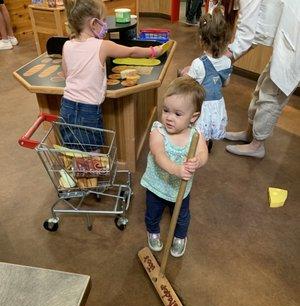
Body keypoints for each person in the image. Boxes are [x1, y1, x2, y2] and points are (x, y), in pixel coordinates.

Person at [60, 0, 162, 150]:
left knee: (73, 151)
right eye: (103, 20)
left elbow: (66, 73)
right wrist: (153, 51)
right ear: (94, 23)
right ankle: (92, 173)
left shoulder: (67, 45)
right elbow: (131, 51)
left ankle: (76, 172)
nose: (105, 24)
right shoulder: (102, 45)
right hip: (88, 110)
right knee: (92, 153)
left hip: (66, 106)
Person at [141, 76, 208, 257]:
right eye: (166, 110)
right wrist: (177, 169)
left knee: (182, 216)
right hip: (157, 185)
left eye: (177, 114)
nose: (169, 118)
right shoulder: (158, 131)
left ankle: (180, 237)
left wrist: (198, 161)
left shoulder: (195, 135)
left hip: (180, 188)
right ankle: (153, 231)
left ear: (193, 117)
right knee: (153, 212)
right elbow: (159, 155)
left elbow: (203, 153)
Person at [225, 0, 300, 158]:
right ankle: (250, 134)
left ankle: (257, 145)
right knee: (262, 84)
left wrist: (213, 63)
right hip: (290, 33)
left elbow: (246, 38)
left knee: (273, 91)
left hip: (295, 40)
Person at [183, 7, 232, 150]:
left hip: (202, 105)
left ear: (201, 40)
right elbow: (226, 83)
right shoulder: (227, 62)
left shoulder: (198, 63)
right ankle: (207, 143)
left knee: (199, 130)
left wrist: (184, 74)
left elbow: (190, 84)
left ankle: (198, 150)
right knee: (210, 125)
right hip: (217, 104)